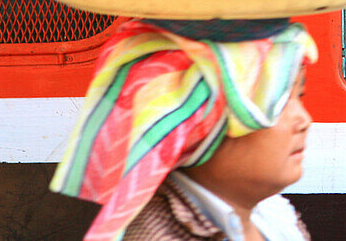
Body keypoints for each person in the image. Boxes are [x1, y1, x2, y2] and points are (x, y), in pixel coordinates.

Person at [51, 19, 317, 240]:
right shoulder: (158, 235)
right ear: (202, 126)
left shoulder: (272, 214)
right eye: (280, 103)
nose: (304, 120)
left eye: (301, 94)